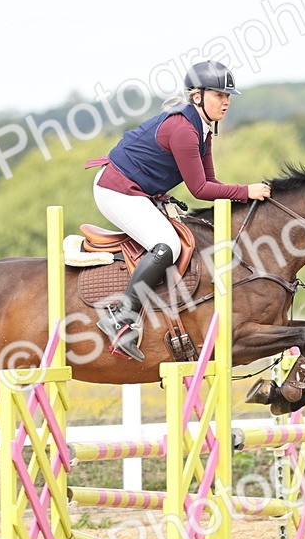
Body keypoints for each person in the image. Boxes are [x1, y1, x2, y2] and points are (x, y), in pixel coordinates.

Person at [86, 60, 271, 361]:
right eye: (218, 96)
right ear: (197, 96)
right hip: (114, 189)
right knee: (167, 245)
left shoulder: (204, 130)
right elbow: (200, 190)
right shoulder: (184, 131)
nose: (225, 103)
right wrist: (245, 191)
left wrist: (242, 196)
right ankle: (121, 316)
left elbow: (211, 183)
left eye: (227, 97)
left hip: (139, 190)